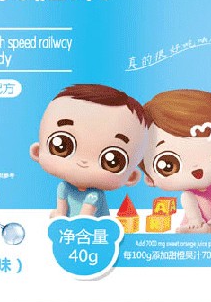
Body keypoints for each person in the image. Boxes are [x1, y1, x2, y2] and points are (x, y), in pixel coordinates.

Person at [30, 84, 149, 218]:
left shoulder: (94, 195)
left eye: (112, 161)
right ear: (37, 151)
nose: (83, 162)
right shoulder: (63, 187)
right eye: (62, 146)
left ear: (131, 176)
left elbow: (85, 218)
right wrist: (59, 216)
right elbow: (61, 211)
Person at [142, 89, 211, 235]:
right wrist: (195, 221)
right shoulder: (187, 195)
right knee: (195, 221)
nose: (196, 169)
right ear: (149, 178)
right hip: (194, 222)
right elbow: (192, 211)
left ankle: (210, 229)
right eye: (169, 165)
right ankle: (198, 228)